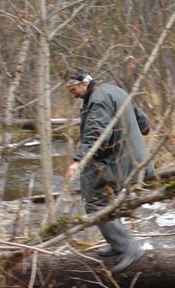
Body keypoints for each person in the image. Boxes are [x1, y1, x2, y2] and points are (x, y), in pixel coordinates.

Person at [64, 67, 155, 273]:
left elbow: (97, 134)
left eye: (72, 89)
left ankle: (129, 247)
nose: (72, 94)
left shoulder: (97, 101)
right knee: (107, 200)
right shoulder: (114, 90)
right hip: (133, 157)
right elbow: (142, 120)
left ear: (82, 83)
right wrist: (143, 129)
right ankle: (117, 244)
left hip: (116, 160)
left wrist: (78, 160)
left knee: (96, 203)